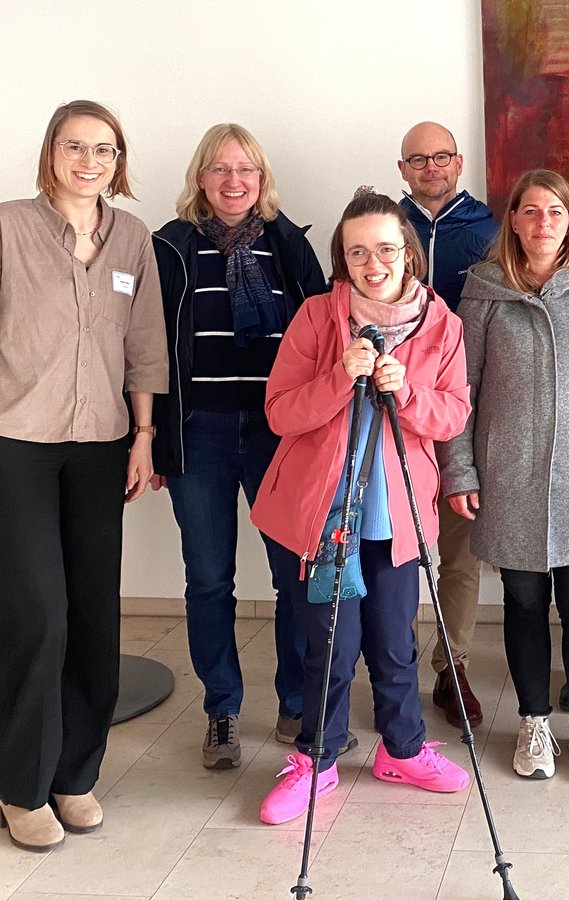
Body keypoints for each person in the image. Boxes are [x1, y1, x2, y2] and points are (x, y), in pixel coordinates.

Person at [250, 190, 471, 825]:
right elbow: (280, 411)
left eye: (386, 249)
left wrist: (410, 393)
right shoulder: (318, 317)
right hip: (325, 521)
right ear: (342, 260)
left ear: (409, 254)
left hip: (396, 517)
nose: (374, 264)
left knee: (395, 644)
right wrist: (338, 378)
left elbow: (453, 415)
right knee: (332, 645)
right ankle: (316, 759)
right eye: (358, 253)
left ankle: (402, 750)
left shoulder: (442, 324)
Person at [440, 169, 569, 781]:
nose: (543, 223)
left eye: (555, 212)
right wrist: (460, 470)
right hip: (508, 475)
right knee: (524, 603)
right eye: (530, 211)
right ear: (513, 220)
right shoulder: (484, 288)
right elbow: (461, 388)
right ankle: (533, 722)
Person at [0, 100, 167, 851]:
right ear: (51, 153)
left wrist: (143, 436)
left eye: (104, 149)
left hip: (102, 443)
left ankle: (74, 774)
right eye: (75, 147)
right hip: (17, 443)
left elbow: (145, 345)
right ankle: (20, 786)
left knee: (95, 613)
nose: (89, 161)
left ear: (118, 160)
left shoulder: (132, 238)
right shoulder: (8, 227)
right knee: (38, 613)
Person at [150, 124, 327, 770]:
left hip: (280, 435)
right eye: (220, 169)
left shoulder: (287, 244)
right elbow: (147, 348)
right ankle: (221, 709)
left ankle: (295, 703)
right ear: (201, 178)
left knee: (294, 575)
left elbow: (324, 332)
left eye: (245, 170)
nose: (233, 181)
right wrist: (152, 436)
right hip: (201, 433)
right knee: (208, 578)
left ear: (261, 179)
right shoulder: (170, 248)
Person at [397, 121, 498, 727]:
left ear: (459, 162)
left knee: (459, 553)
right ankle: (393, 663)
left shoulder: (491, 232)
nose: (431, 167)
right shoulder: (385, 229)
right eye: (418, 159)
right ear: (402, 168)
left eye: (441, 157)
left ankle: (451, 666)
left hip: (465, 415)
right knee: (395, 550)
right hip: (395, 413)